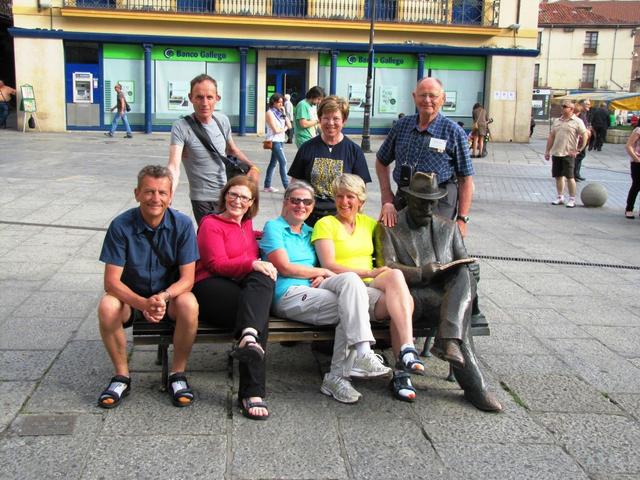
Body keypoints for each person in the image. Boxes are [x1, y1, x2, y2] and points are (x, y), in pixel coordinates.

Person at [375, 172, 502, 412]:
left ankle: (449, 340)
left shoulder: (449, 227)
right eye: (422, 201)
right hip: (407, 297)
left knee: (464, 274)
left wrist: (471, 270)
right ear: (408, 199)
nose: (429, 207)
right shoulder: (390, 227)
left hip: (445, 299)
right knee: (456, 316)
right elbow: (386, 267)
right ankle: (473, 382)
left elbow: (462, 262)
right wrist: (422, 272)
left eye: (433, 202)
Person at [261, 181, 392, 404]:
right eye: (295, 200)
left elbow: (324, 266)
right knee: (349, 306)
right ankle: (350, 365)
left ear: (313, 205)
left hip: (315, 289)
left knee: (351, 288)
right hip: (288, 294)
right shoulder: (274, 227)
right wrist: (321, 270)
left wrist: (322, 274)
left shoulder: (311, 232)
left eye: (307, 201)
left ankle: (353, 362)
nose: (301, 205)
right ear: (285, 202)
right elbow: (284, 267)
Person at [312, 174, 426, 403]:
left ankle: (406, 349)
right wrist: (368, 272)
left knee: (395, 276)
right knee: (407, 303)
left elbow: (391, 246)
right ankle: (402, 370)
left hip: (369, 288)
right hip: (341, 284)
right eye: (340, 196)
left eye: (350, 197)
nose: (344, 202)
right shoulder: (325, 224)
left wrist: (389, 208)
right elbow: (329, 264)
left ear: (361, 201)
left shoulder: (369, 224)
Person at [97, 165, 199, 409]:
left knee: (189, 303)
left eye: (162, 193)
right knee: (107, 306)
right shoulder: (121, 226)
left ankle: (177, 374)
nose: (156, 198)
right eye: (149, 192)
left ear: (171, 195)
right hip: (131, 298)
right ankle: (122, 376)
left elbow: (188, 279)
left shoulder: (183, 224)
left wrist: (162, 298)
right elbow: (111, 282)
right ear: (137, 193)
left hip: (168, 297)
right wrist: (143, 304)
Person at [192, 176, 276, 420]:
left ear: (252, 203)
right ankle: (252, 393)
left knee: (264, 278)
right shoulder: (211, 223)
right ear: (225, 196)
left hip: (239, 287)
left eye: (244, 197)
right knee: (257, 313)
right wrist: (252, 263)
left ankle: (248, 336)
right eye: (233, 194)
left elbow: (250, 244)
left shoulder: (247, 225)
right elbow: (215, 264)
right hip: (209, 287)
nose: (237, 201)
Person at [376, 77, 474, 237]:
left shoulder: (454, 132)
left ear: (443, 99)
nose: (427, 100)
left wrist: (462, 218)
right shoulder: (401, 126)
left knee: (435, 249)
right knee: (396, 242)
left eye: (433, 96)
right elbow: (381, 161)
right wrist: (386, 197)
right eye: (422, 95)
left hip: (439, 201)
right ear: (414, 97)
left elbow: (466, 179)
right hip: (404, 197)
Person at [167, 74, 259, 225]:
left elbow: (232, 150)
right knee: (210, 240)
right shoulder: (181, 126)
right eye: (199, 97)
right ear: (190, 98)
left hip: (228, 196)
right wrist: (168, 194)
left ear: (217, 98)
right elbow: (173, 165)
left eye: (209, 97)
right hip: (203, 200)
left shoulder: (222, 120)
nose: (204, 103)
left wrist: (253, 167)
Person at [288, 95, 371, 226]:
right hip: (308, 219)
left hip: (340, 220)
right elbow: (294, 186)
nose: (330, 123)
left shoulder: (354, 151)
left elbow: (361, 191)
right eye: (326, 118)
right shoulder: (307, 148)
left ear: (344, 121)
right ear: (320, 119)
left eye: (336, 118)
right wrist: (287, 219)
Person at [544, 100, 588, 208]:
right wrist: (547, 151)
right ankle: (560, 197)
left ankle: (572, 199)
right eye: (562, 106)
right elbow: (551, 136)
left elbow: (585, 135)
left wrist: (579, 149)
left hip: (568, 153)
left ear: (571, 109)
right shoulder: (557, 121)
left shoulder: (577, 121)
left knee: (570, 177)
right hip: (557, 152)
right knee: (558, 176)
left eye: (565, 106)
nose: (562, 108)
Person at [263, 93, 291, 193]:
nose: (281, 104)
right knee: (283, 162)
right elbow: (275, 130)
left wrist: (284, 113)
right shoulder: (269, 113)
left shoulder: (280, 113)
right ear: (273, 102)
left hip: (281, 140)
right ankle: (287, 187)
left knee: (273, 163)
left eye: (282, 102)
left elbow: (290, 125)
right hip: (274, 141)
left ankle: (267, 185)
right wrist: (284, 128)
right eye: (279, 102)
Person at [574, 99, 592, 181]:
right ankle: (573, 174)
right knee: (577, 157)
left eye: (589, 104)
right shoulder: (577, 114)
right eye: (587, 104)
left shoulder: (583, 114)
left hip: (583, 141)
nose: (589, 106)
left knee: (581, 156)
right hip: (578, 140)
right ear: (581, 105)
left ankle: (577, 174)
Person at [624, 125, 640, 219]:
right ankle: (629, 209)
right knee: (636, 185)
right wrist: (636, 159)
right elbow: (629, 145)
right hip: (637, 162)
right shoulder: (638, 130)